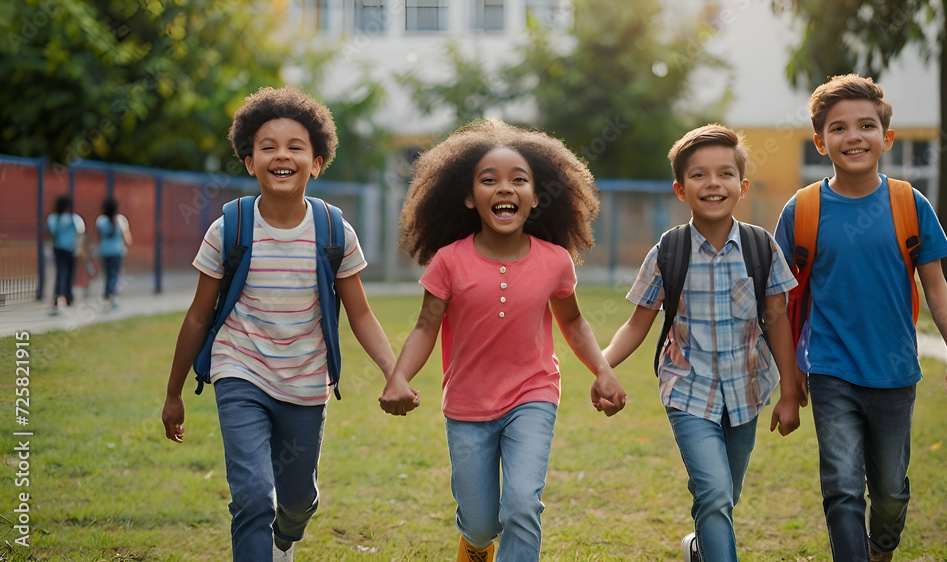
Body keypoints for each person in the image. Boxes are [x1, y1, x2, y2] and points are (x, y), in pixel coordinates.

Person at [160, 86, 396, 562]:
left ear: (317, 161)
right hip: (239, 371)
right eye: (268, 147)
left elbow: (361, 313)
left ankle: (283, 541)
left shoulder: (334, 231)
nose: (281, 155)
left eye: (295, 147)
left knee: (295, 502)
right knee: (252, 496)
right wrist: (174, 392)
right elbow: (198, 315)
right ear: (249, 161)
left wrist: (396, 373)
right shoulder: (230, 228)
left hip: (306, 382)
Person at [377, 118, 628, 562]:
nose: (505, 188)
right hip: (467, 404)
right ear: (470, 197)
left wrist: (603, 371)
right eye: (488, 180)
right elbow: (424, 328)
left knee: (522, 505)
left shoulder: (555, 262)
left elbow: (573, 324)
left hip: (533, 394)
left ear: (536, 195)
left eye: (519, 180)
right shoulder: (449, 263)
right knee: (480, 523)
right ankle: (475, 546)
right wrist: (398, 376)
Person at [773, 74, 947, 562]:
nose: (854, 136)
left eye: (866, 125)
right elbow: (777, 302)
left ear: (887, 137)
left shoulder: (910, 204)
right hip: (830, 370)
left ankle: (881, 547)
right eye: (838, 128)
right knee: (841, 485)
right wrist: (788, 380)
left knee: (889, 490)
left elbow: (937, 287)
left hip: (894, 371)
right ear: (821, 141)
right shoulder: (803, 209)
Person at [602, 124, 801, 562]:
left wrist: (789, 391)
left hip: (747, 392)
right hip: (688, 392)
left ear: (742, 185)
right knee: (712, 491)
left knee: (727, 493)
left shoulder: (761, 247)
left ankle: (702, 546)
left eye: (725, 174)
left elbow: (777, 318)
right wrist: (602, 365)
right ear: (680, 188)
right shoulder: (668, 252)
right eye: (699, 175)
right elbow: (638, 324)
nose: (713, 184)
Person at [46, 194, 86, 314]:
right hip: (71, 250)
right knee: (69, 273)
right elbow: (81, 232)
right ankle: (68, 296)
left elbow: (51, 233)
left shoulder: (53, 218)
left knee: (60, 272)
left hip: (58, 249)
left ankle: (58, 296)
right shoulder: (75, 218)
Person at [95, 196, 132, 309]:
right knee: (115, 274)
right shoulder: (121, 220)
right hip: (117, 251)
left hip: (104, 251)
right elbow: (128, 239)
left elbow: (98, 238)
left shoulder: (100, 221)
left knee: (107, 274)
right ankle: (114, 297)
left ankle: (107, 295)